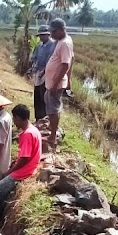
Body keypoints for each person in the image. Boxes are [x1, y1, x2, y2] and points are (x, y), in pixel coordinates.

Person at [0, 104, 42, 224]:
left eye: (14, 119)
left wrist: (9, 172)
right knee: (0, 193)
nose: (14, 122)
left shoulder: (27, 134)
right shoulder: (34, 130)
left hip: (24, 172)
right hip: (30, 168)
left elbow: (25, 159)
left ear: (19, 118)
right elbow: (25, 155)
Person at [44, 18, 74, 150]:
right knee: (51, 104)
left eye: (54, 31)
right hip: (52, 82)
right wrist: (69, 78)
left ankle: (52, 135)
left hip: (55, 84)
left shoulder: (64, 44)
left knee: (53, 109)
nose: (51, 34)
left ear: (62, 30)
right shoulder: (62, 41)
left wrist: (55, 84)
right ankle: (52, 126)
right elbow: (72, 59)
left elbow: (65, 64)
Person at [29, 25, 55, 121]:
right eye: (40, 35)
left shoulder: (52, 45)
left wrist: (43, 71)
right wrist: (32, 68)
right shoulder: (39, 46)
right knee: (37, 97)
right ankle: (38, 119)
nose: (41, 37)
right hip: (37, 74)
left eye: (43, 35)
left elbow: (50, 61)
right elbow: (34, 58)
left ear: (48, 35)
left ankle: (44, 120)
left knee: (44, 98)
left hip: (47, 75)